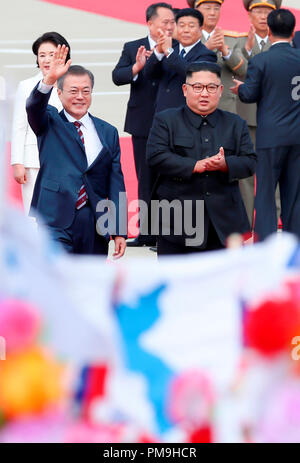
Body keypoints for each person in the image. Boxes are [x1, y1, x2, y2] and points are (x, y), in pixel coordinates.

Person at [146, 61, 256, 256]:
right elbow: (155, 156)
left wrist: (225, 165)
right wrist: (194, 165)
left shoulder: (235, 123)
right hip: (177, 223)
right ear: (185, 89)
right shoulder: (166, 120)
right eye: (197, 87)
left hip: (224, 226)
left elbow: (250, 162)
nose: (204, 93)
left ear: (220, 90)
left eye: (211, 87)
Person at [26, 45, 127, 257]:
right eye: (73, 91)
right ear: (59, 92)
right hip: (55, 218)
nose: (80, 97)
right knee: (57, 280)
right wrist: (48, 80)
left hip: (95, 220)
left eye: (86, 91)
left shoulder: (107, 131)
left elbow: (116, 182)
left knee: (91, 282)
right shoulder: (49, 121)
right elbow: (33, 106)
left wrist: (119, 230)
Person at [231, 9, 300, 241]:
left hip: (270, 137)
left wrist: (240, 88)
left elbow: (249, 94)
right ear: (293, 31)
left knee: (266, 193)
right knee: (294, 193)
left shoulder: (262, 60)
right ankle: (294, 244)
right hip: (297, 136)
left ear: (268, 31)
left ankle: (265, 244)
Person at [112, 3, 175, 247]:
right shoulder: (132, 47)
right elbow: (117, 76)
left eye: (172, 22)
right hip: (142, 123)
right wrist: (136, 67)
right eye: (165, 22)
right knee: (145, 178)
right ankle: (146, 233)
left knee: (167, 178)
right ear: (150, 23)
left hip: (170, 123)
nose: (169, 26)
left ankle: (166, 234)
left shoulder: (177, 47)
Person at [11, 32, 71, 216]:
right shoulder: (27, 85)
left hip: (65, 160)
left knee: (63, 213)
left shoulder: (71, 83)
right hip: (33, 161)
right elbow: (19, 126)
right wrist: (17, 162)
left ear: (63, 56)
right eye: (41, 55)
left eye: (51, 54)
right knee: (34, 213)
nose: (46, 59)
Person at [235, 0, 282, 227]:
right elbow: (241, 69)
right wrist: (248, 50)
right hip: (248, 118)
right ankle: (246, 221)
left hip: (276, 120)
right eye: (258, 11)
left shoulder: (285, 44)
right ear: (249, 15)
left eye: (267, 11)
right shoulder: (239, 42)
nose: (263, 16)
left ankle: (274, 220)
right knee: (246, 174)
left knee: (275, 172)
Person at [144, 8, 217, 113]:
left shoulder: (207, 54)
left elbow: (192, 74)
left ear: (200, 30)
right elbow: (149, 74)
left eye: (191, 26)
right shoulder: (170, 48)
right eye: (181, 25)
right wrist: (158, 52)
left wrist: (169, 52)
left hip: (186, 117)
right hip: (161, 114)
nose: (186, 30)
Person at [187, 0, 247, 113]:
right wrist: (205, 48)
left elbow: (242, 70)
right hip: (194, 106)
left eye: (216, 8)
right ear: (196, 10)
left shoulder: (231, 39)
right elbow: (181, 66)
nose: (212, 13)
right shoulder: (187, 36)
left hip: (224, 107)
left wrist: (225, 51)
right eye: (208, 8)